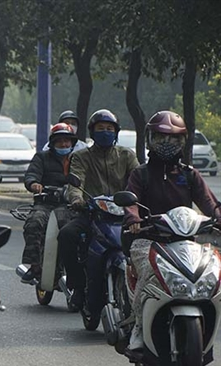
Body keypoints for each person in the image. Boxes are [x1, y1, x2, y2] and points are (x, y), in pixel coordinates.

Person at [123, 110, 221, 351]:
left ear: (182, 142)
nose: (167, 144)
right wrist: (134, 218)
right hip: (147, 240)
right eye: (160, 138)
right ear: (149, 140)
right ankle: (137, 325)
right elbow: (130, 202)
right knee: (148, 272)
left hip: (185, 242)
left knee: (212, 270)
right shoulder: (141, 174)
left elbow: (210, 204)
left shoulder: (189, 175)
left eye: (174, 139)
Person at [58, 109, 139, 310]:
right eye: (100, 129)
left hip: (124, 216)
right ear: (92, 133)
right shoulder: (81, 156)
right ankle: (77, 286)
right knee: (66, 235)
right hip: (93, 214)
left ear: (116, 132)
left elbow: (138, 182)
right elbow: (75, 183)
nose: (105, 132)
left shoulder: (127, 155)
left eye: (109, 129)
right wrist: (77, 200)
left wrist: (141, 203)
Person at [20, 123, 78, 284]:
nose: (64, 144)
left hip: (70, 205)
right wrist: (34, 184)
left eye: (67, 141)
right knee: (34, 222)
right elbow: (31, 175)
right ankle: (35, 265)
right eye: (60, 141)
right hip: (45, 203)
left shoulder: (78, 159)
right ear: (53, 143)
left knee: (72, 230)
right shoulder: (42, 157)